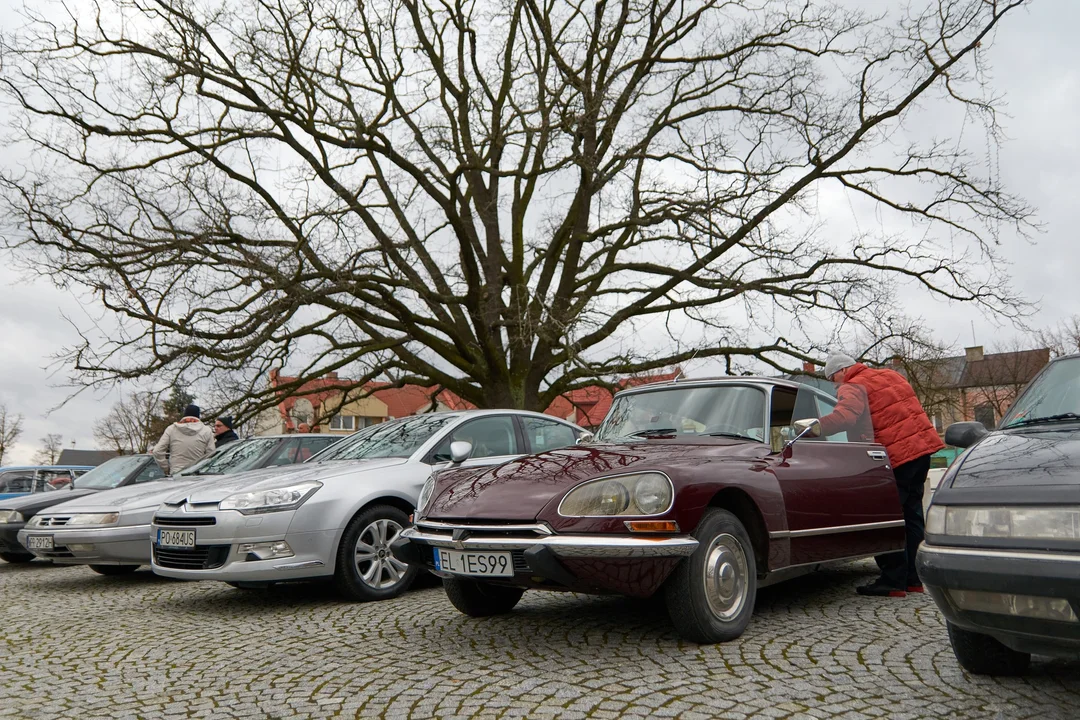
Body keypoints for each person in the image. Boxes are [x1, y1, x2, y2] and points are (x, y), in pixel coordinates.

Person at [794, 353, 944, 598]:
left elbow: (846, 416)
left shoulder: (853, 386)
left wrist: (812, 428)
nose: (835, 385)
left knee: (885, 518)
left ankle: (892, 580)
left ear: (842, 371)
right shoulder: (891, 375)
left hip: (896, 457)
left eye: (833, 379)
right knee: (912, 515)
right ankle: (914, 578)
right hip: (922, 452)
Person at [153, 403, 216, 475]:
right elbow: (211, 454)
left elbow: (157, 451)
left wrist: (166, 468)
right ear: (198, 416)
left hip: (176, 472)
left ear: (185, 415)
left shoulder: (172, 429)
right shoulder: (207, 431)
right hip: (197, 473)